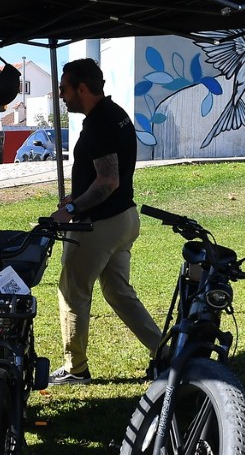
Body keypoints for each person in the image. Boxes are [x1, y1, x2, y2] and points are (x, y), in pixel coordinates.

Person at [47, 58, 163, 385]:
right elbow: (108, 176)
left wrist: (72, 208)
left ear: (82, 88)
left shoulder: (99, 124)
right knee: (119, 293)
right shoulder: (116, 114)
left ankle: (75, 368)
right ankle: (166, 351)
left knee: (73, 291)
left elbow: (108, 180)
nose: (61, 95)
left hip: (99, 224)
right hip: (125, 219)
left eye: (64, 89)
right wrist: (78, 196)